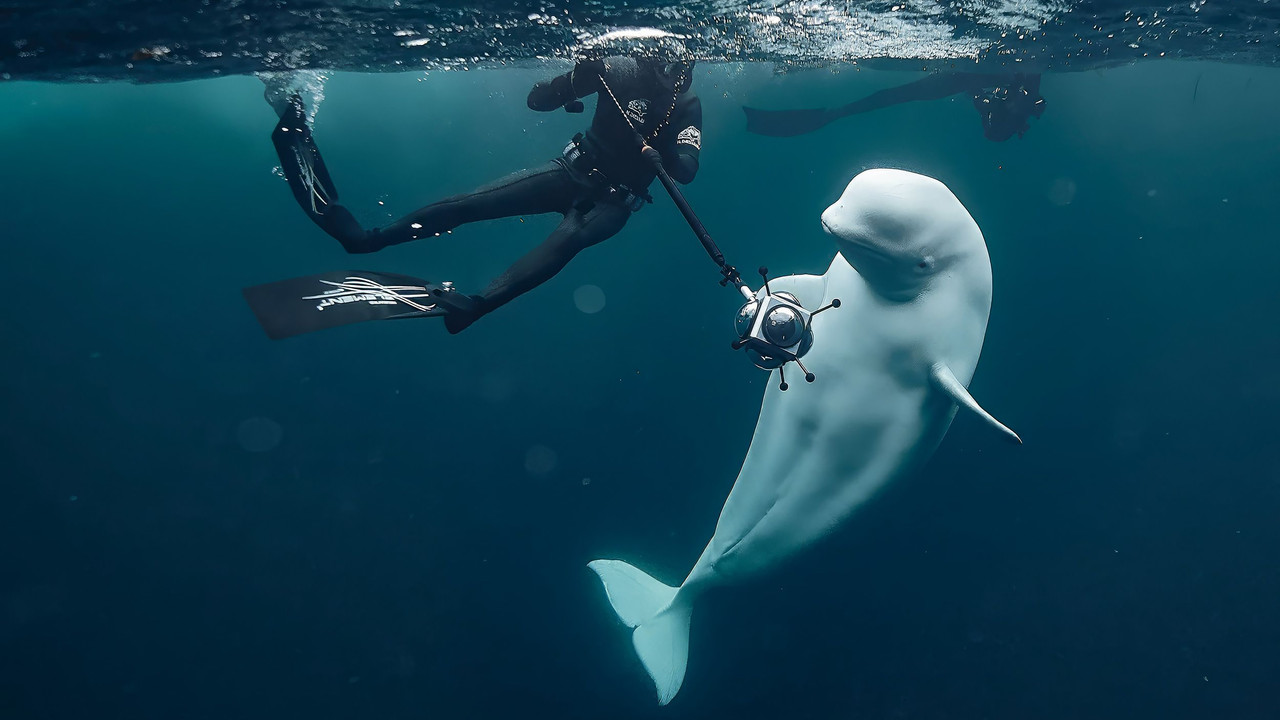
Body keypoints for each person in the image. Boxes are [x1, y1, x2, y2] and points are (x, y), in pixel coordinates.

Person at [266, 56, 703, 334]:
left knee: (568, 239)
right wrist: (573, 79)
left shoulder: (686, 107)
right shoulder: (618, 70)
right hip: (570, 171)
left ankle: (477, 305)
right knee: (469, 205)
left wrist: (661, 151)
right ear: (654, 56)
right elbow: (538, 102)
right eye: (672, 65)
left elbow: (685, 171)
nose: (678, 76)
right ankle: (367, 239)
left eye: (685, 69)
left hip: (613, 202)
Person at [742, 71, 1045, 142]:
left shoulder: (1013, 96)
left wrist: (981, 99)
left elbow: (981, 99)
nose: (985, 108)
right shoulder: (1026, 88)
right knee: (888, 97)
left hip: (955, 80)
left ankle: (830, 115)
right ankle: (831, 114)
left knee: (889, 97)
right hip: (956, 79)